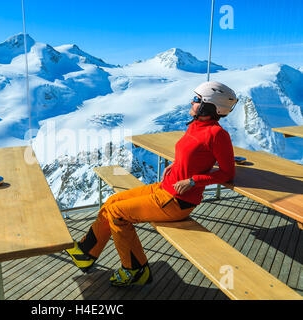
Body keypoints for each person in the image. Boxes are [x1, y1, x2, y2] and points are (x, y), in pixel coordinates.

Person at [65, 81, 239, 287]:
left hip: (177, 201)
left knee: (117, 213)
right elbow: (194, 154)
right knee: (111, 201)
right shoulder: (195, 126)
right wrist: (176, 165)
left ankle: (136, 270)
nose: (191, 102)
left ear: (209, 105)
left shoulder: (218, 135)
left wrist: (193, 180)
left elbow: (228, 173)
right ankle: (86, 252)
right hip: (165, 188)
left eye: (196, 100)